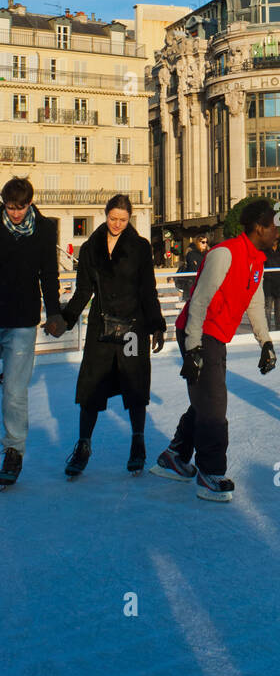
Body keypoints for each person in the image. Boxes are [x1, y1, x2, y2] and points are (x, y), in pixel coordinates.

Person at [152, 199, 279, 501]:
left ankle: (176, 456)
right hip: (198, 331)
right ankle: (210, 474)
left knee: (204, 399)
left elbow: (255, 304)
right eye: (274, 226)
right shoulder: (225, 254)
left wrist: (266, 342)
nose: (278, 231)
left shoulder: (256, 261)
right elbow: (199, 301)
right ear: (259, 227)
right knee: (214, 403)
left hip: (216, 335)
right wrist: (193, 347)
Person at [59, 195, 166, 478]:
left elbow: (147, 290)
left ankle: (138, 443)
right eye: (112, 218)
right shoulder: (91, 247)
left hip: (132, 330)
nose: (117, 224)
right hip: (101, 329)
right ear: (105, 215)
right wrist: (67, 319)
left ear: (129, 219)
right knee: (91, 386)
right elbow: (83, 291)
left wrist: (156, 325)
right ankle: (83, 445)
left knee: (135, 385)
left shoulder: (140, 247)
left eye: (123, 219)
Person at [0, 178, 64, 486]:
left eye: (20, 207)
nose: (14, 214)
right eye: (10, 207)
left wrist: (53, 312)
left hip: (23, 320)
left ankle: (13, 451)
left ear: (29, 203)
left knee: (13, 390)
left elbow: (49, 274)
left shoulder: (44, 230)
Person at [263, 238, 280, 331]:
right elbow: (261, 265)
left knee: (278, 308)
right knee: (268, 308)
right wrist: (267, 276)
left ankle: (278, 327)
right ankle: (267, 328)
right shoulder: (264, 251)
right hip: (268, 284)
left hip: (279, 283)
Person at [177, 234, 208, 302]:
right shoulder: (191, 254)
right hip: (192, 284)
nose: (205, 244)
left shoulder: (207, 254)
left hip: (204, 285)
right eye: (203, 242)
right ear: (197, 242)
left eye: (206, 242)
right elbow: (194, 267)